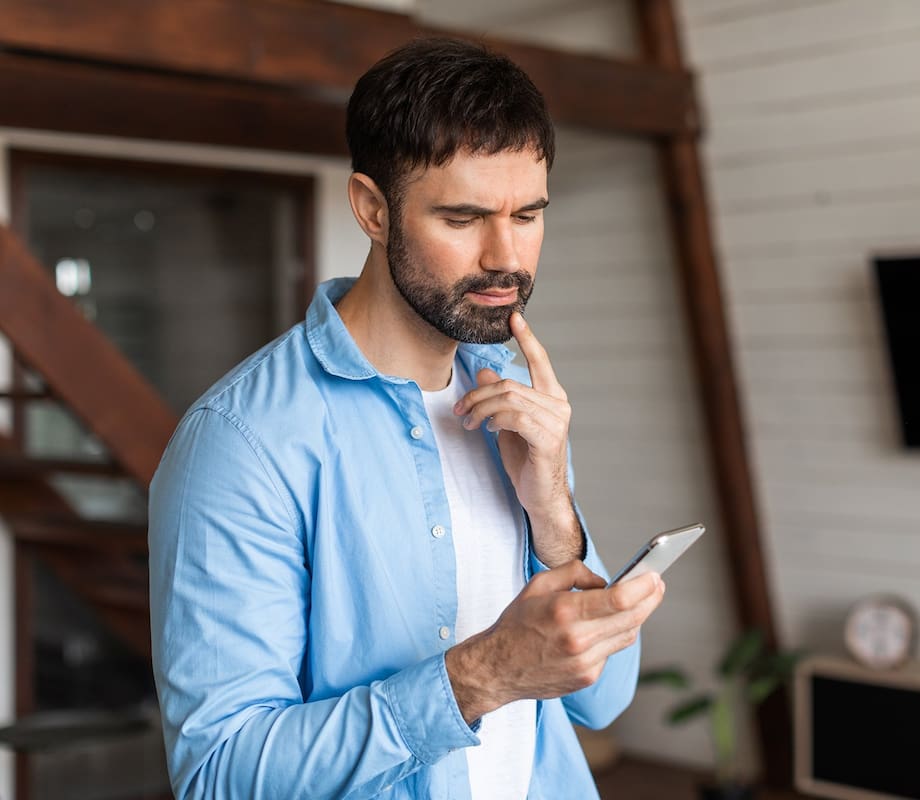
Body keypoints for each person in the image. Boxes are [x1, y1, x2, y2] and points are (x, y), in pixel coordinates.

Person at [148, 37, 665, 800]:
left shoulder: (515, 395)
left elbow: (601, 697)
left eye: (527, 215)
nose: (506, 257)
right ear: (371, 209)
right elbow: (221, 775)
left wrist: (555, 515)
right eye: (463, 218)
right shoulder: (243, 443)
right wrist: (481, 677)